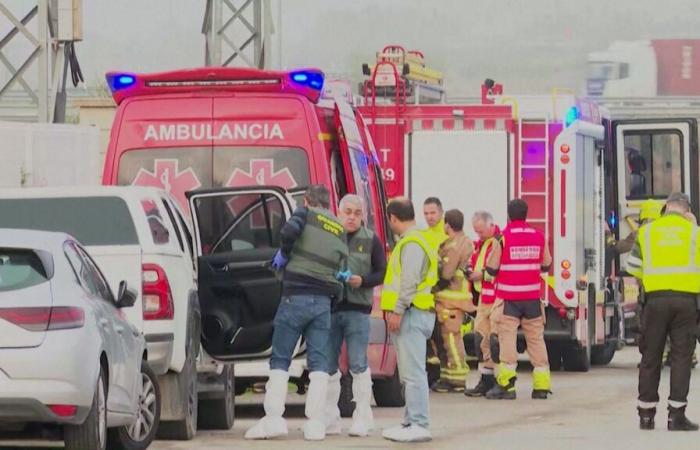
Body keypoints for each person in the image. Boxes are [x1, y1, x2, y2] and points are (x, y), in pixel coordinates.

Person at [245, 185, 348, 441]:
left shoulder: (305, 213)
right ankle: (315, 424)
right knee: (319, 363)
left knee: (280, 359)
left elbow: (289, 231)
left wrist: (285, 253)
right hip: (323, 302)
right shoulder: (339, 227)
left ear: (307, 200)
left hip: (296, 298)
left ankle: (273, 420)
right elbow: (341, 266)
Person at [627, 192, 700, 431]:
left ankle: (646, 416)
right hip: (686, 302)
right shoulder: (695, 234)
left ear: (666, 208)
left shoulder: (647, 233)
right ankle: (676, 416)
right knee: (681, 358)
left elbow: (634, 268)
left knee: (650, 356)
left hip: (655, 301)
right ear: (687, 210)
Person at [324, 194, 387, 437]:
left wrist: (363, 281)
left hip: (358, 310)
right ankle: (330, 417)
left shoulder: (371, 240)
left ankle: (363, 417)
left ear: (363, 215)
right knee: (328, 365)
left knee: (358, 364)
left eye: (356, 213)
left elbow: (382, 272)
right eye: (347, 212)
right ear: (338, 212)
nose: (351, 217)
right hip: (331, 310)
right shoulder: (329, 237)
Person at [381, 198, 438, 443]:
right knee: (409, 371)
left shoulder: (412, 243)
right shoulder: (417, 240)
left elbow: (409, 282)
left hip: (412, 313)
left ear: (393, 218)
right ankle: (410, 421)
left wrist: (397, 311)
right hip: (417, 312)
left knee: (413, 373)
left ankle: (419, 423)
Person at [485, 199, 553, 400]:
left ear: (508, 215)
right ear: (526, 214)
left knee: (507, 341)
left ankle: (507, 386)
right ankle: (541, 387)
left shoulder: (502, 238)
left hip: (509, 300)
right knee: (536, 341)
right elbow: (546, 265)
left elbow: (492, 268)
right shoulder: (539, 237)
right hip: (532, 299)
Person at [430, 209, 475, 393]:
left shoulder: (454, 246)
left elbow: (447, 273)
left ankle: (456, 378)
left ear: (447, 224)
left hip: (451, 299)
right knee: (449, 339)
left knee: (451, 339)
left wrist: (434, 286)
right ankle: (449, 377)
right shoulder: (465, 241)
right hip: (457, 299)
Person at [464, 211, 501, 397]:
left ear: (491, 225)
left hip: (495, 298)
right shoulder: (482, 243)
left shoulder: (498, 243)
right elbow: (475, 262)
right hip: (482, 298)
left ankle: (498, 381)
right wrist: (470, 270)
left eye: (480, 230)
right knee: (481, 341)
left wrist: (481, 274)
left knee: (494, 342)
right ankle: (486, 380)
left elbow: (498, 269)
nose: (478, 234)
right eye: (476, 231)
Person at [422, 197, 449, 374]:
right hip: (427, 296)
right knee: (430, 338)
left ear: (441, 213)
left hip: (444, 295)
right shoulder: (423, 236)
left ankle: (445, 372)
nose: (429, 217)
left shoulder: (446, 238)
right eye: (426, 213)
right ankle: (434, 373)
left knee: (444, 339)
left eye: (433, 213)